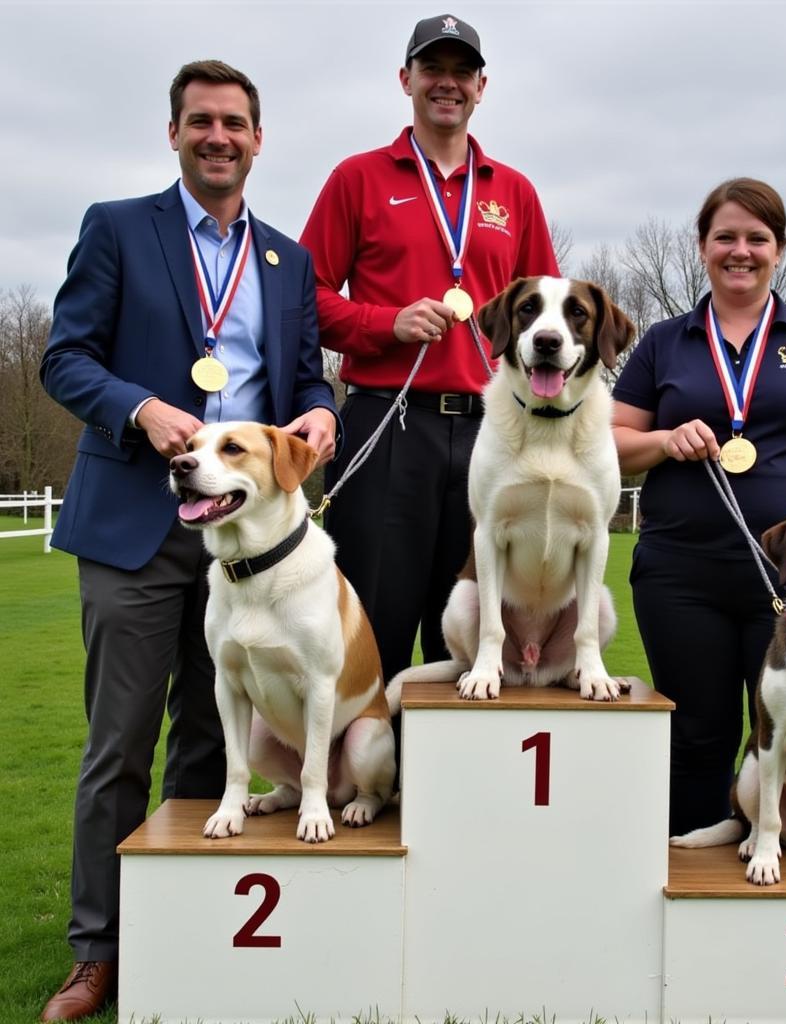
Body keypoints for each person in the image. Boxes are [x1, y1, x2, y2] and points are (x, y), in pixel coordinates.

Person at [39, 60, 339, 1021]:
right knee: (118, 744)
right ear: (174, 133)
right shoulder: (118, 227)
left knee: (216, 746)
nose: (219, 137)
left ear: (260, 140)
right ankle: (100, 953)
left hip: (250, 544)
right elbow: (65, 358)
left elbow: (304, 379)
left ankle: (193, 929)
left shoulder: (288, 262)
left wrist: (321, 414)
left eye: (236, 124)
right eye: (201, 122)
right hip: (137, 520)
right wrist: (140, 411)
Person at [299, 14, 560, 720]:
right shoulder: (357, 179)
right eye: (431, 68)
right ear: (406, 79)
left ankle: (454, 803)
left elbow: (552, 318)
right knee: (373, 619)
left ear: (481, 86)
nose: (446, 83)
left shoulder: (514, 191)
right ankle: (359, 793)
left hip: (493, 431)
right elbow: (304, 300)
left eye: (460, 71)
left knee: (476, 622)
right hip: (387, 422)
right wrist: (385, 323)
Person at [611, 178, 786, 837]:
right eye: (725, 237)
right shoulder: (663, 341)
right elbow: (611, 446)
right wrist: (662, 439)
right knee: (699, 733)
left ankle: (774, 873)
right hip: (682, 573)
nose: (742, 251)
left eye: (757, 238)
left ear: (780, 250)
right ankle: (690, 879)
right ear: (702, 248)